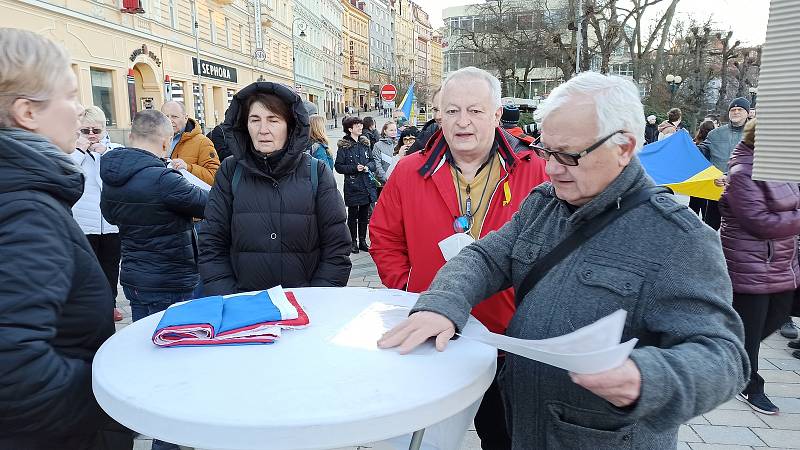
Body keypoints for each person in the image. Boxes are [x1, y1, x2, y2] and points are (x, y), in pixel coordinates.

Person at [378, 71, 748, 450]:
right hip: (523, 425)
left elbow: (725, 357)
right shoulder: (544, 204)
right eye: (546, 151)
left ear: (624, 147)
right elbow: (485, 257)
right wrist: (442, 305)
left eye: (569, 156)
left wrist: (647, 378)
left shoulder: (678, 239)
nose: (552, 168)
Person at [370, 67, 549, 450]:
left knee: (506, 438)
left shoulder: (535, 170)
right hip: (431, 335)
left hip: (507, 339)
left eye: (475, 110)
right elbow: (384, 237)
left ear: (497, 114)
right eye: (451, 111)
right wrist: (408, 288)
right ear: (438, 115)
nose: (462, 122)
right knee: (425, 439)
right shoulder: (407, 171)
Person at [0, 28, 133, 450]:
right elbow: (14, 369)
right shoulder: (25, 209)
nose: (79, 110)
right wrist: (113, 400)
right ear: (28, 113)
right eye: (70, 95)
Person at [199, 82, 351, 295]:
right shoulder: (230, 171)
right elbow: (212, 243)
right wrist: (231, 298)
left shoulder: (317, 172)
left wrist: (316, 299)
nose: (263, 130)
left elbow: (337, 248)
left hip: (306, 308)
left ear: (290, 125)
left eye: (273, 120)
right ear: (245, 124)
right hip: (244, 306)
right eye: (255, 120)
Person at [718, 119, 800, 414]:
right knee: (751, 329)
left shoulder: (781, 169)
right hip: (749, 262)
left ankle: (722, 351)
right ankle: (749, 384)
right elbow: (761, 222)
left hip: (780, 261)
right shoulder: (743, 172)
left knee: (777, 317)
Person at [101, 110, 208, 321]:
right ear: (166, 142)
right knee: (171, 342)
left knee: (144, 341)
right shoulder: (164, 179)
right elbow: (208, 205)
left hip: (135, 279)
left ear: (131, 137)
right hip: (170, 279)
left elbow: (110, 215)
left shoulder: (112, 176)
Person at [71, 106, 125, 322]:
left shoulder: (115, 149)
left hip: (111, 223)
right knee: (87, 268)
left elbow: (123, 171)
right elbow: (64, 171)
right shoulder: (71, 151)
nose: (92, 134)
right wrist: (80, 150)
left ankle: (110, 303)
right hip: (84, 222)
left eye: (97, 129)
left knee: (111, 267)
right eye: (86, 130)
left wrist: (107, 154)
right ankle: (88, 305)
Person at [697, 97, 751, 230]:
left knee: (737, 231)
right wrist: (688, 148)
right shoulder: (715, 134)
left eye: (740, 109)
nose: (736, 112)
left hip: (742, 192)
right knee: (709, 228)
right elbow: (702, 151)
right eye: (733, 109)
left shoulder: (754, 134)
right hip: (716, 190)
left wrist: (730, 176)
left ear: (747, 113)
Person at [336, 116, 378, 254]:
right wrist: (355, 168)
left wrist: (368, 167)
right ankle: (352, 241)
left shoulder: (365, 144)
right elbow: (339, 167)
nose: (360, 127)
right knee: (353, 214)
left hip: (366, 184)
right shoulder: (344, 146)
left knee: (364, 214)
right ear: (350, 129)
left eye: (361, 125)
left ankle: (362, 241)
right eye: (357, 126)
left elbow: (372, 162)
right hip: (353, 186)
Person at [161, 100, 220, 185]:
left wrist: (188, 167)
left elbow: (214, 177)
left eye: (174, 117)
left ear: (185, 118)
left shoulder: (203, 142)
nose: (169, 120)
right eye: (166, 117)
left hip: (190, 196)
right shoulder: (154, 140)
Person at [688, 119, 718, 216]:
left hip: (696, 180)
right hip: (709, 181)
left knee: (693, 207)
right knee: (707, 210)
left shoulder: (695, 144)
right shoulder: (716, 145)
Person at [407, 86, 441, 154]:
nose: (437, 116)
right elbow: (410, 157)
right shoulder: (430, 132)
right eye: (435, 110)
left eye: (444, 109)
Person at [372, 120, 398, 186]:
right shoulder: (378, 145)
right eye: (391, 130)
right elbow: (377, 164)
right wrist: (385, 178)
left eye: (395, 130)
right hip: (383, 182)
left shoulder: (398, 144)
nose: (394, 132)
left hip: (397, 180)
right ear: (385, 131)